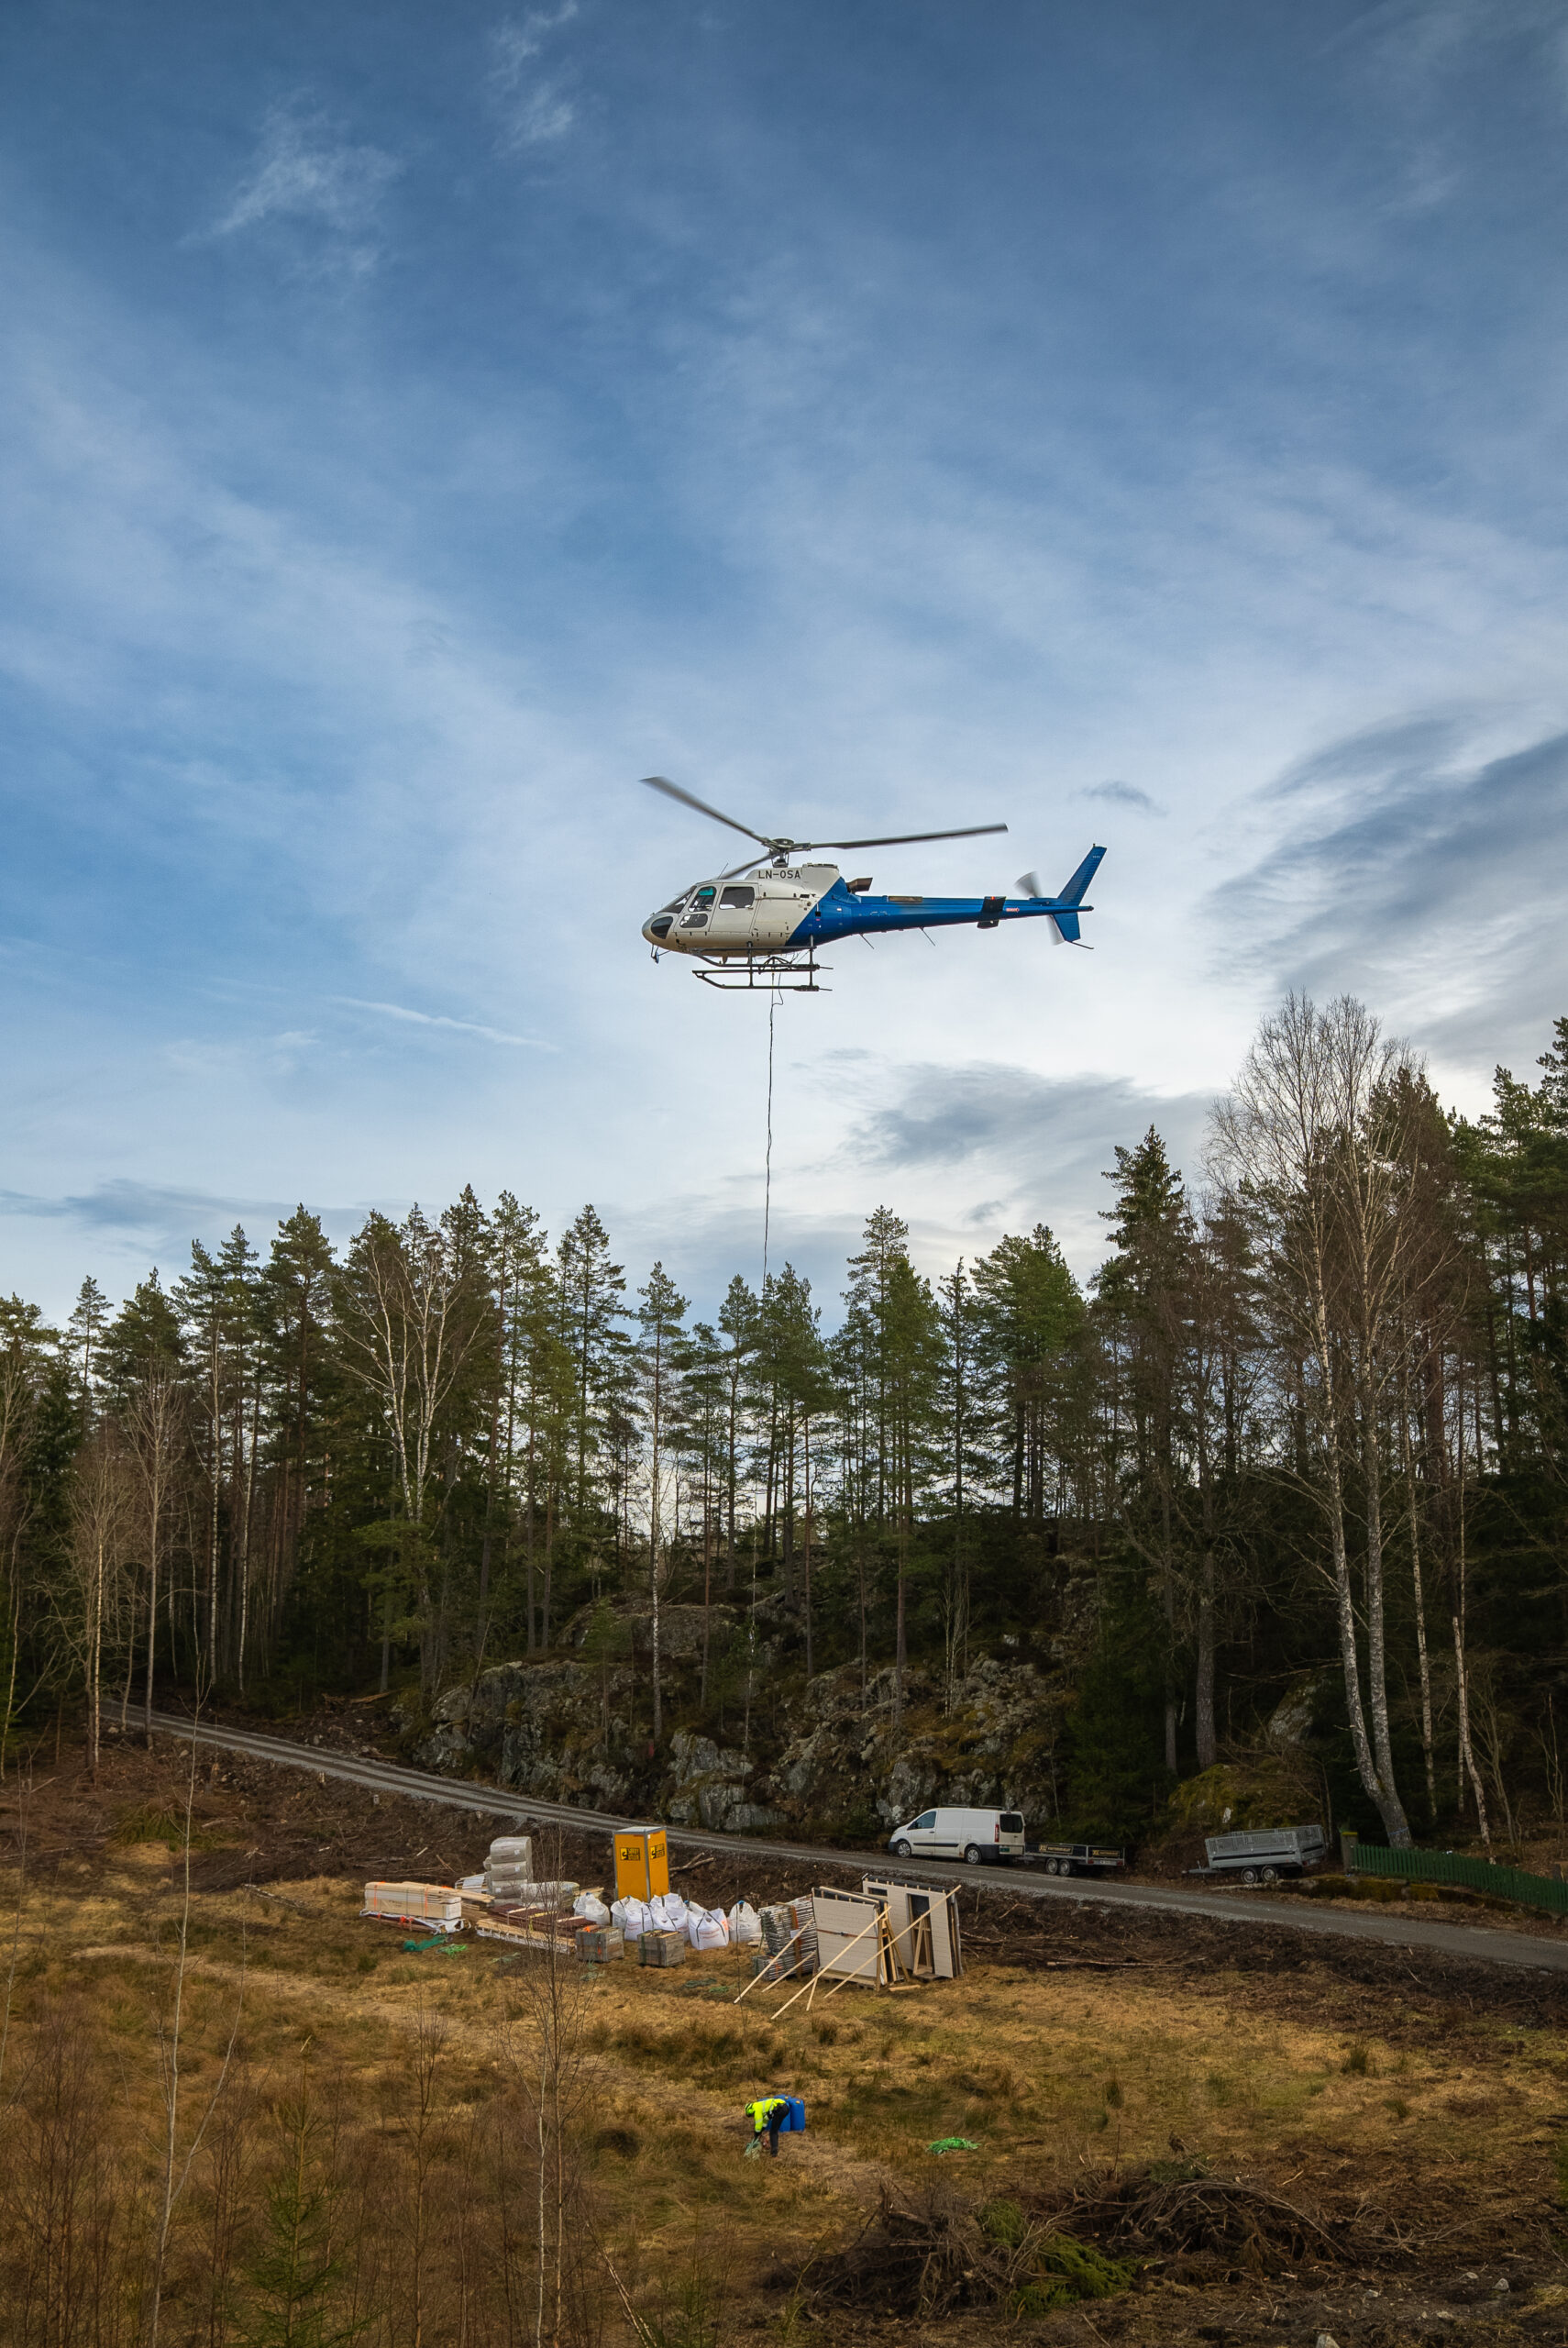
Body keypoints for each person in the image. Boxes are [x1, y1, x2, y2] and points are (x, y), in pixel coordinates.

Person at [743, 2094, 790, 2158]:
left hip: (780, 2109)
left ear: (750, 2111)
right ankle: (774, 2150)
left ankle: (774, 2153)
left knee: (773, 2132)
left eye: (751, 2115)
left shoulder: (756, 2110)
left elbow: (758, 2124)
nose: (752, 2116)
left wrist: (756, 2134)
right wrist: (762, 2129)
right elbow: (765, 2120)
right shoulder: (759, 2106)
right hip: (785, 2107)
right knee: (774, 2130)